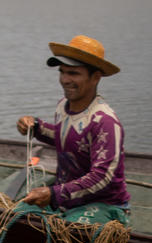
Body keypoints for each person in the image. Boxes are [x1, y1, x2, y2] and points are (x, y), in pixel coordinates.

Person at [16, 35, 130, 222]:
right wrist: (34, 127)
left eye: (74, 73)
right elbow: (68, 139)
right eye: (62, 72)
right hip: (67, 198)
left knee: (70, 233)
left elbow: (102, 178)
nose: (65, 80)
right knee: (16, 213)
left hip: (104, 204)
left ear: (95, 77)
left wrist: (53, 194)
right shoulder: (63, 106)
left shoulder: (105, 122)